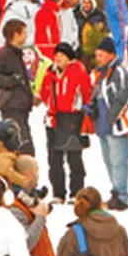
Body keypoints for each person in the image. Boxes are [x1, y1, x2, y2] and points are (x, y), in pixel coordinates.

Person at [89, 37, 128, 211]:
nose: (98, 58)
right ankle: (115, 191)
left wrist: (112, 117)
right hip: (102, 125)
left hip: (119, 126)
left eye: (101, 55)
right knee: (109, 161)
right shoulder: (97, 73)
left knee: (119, 162)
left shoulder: (119, 72)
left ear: (111, 55)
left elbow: (124, 96)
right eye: (97, 55)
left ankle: (122, 196)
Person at [41, 42, 92, 203]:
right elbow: (43, 92)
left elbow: (87, 95)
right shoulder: (49, 74)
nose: (58, 58)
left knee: (74, 157)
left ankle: (76, 191)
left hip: (73, 119)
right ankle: (58, 192)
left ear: (69, 58)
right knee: (53, 158)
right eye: (56, 55)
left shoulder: (79, 73)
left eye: (62, 55)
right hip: (53, 119)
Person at [0, 19, 37, 155]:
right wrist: (9, 81)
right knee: (23, 146)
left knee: (22, 144)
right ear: (16, 34)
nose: (26, 36)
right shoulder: (4, 54)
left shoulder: (16, 53)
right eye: (24, 33)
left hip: (20, 105)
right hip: (12, 106)